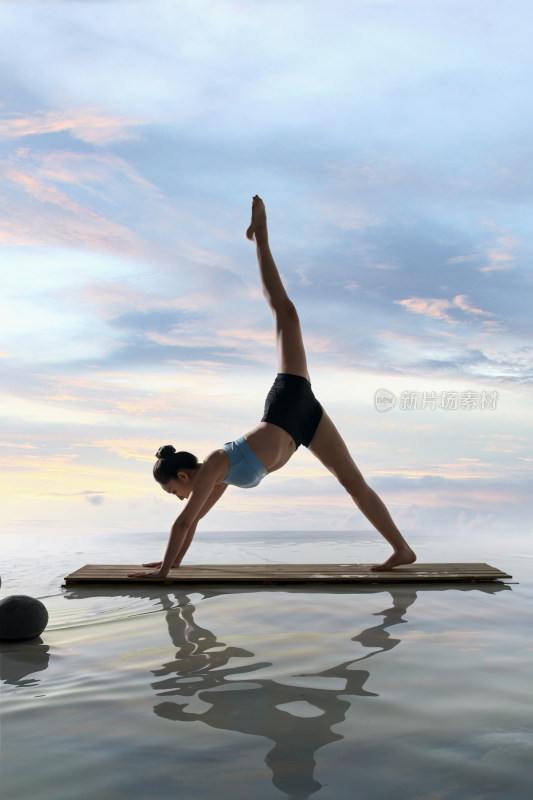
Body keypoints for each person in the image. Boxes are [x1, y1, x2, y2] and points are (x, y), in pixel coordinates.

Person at [128, 197, 416, 579]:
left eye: (172, 493)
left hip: (287, 405)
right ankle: (403, 549)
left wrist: (162, 572)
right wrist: (175, 563)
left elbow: (181, 523)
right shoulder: (218, 478)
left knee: (285, 312)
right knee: (354, 484)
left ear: (183, 477)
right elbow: (193, 523)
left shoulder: (215, 462)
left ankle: (260, 238)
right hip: (305, 424)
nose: (177, 500)